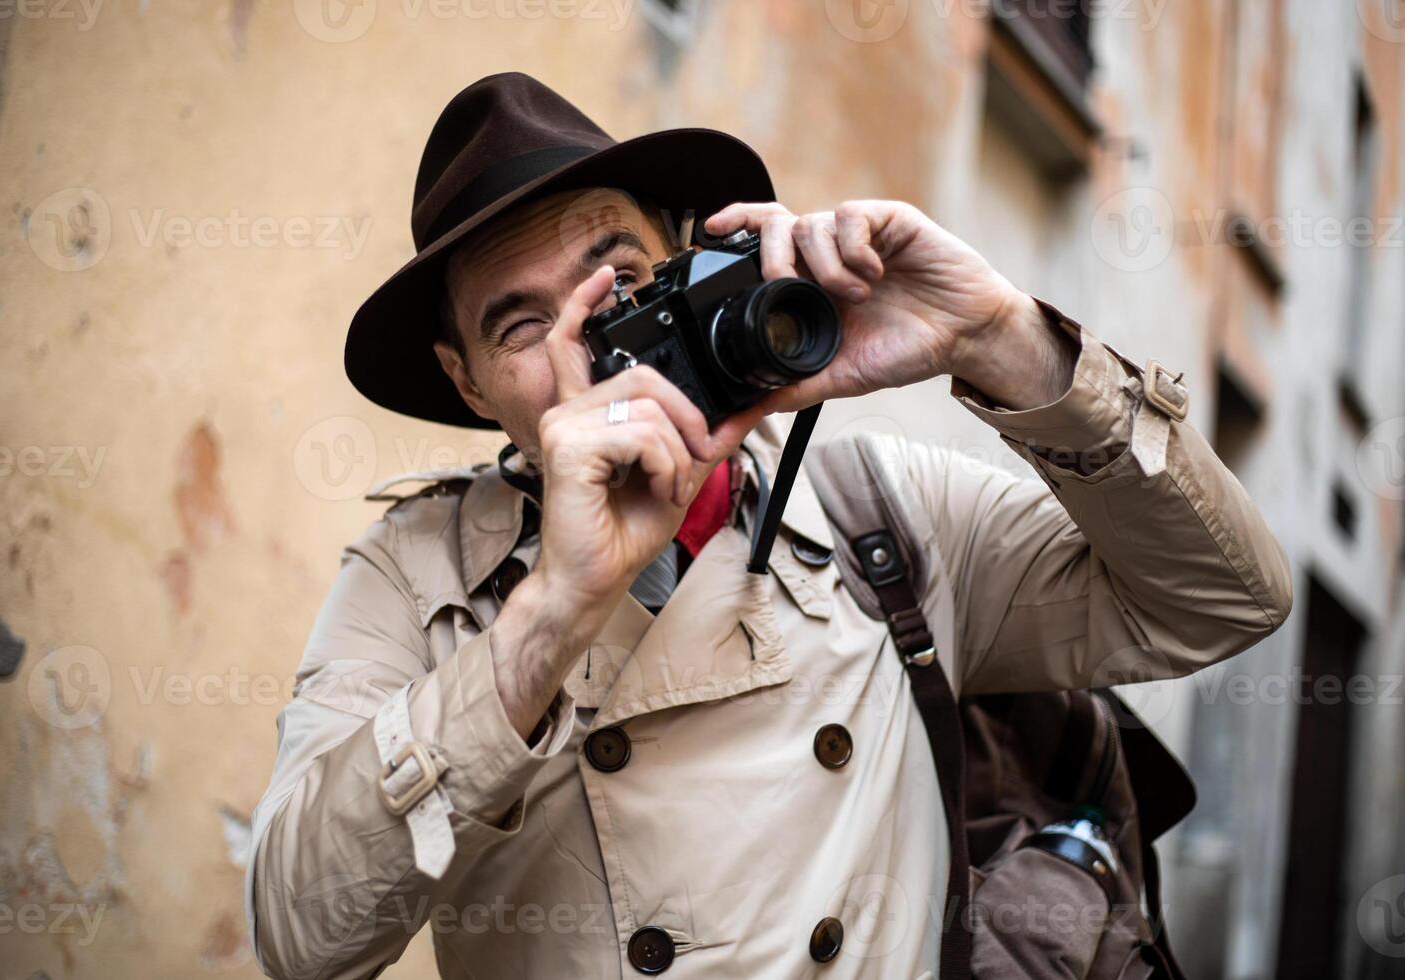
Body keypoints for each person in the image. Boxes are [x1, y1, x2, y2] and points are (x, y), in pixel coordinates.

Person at [246, 72, 1291, 979]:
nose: (596, 330)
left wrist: (1000, 334)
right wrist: (551, 614)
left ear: (692, 262)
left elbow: (1226, 597)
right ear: (465, 381)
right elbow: (303, 938)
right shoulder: (410, 573)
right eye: (523, 324)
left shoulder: (883, 511)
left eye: (621, 272)